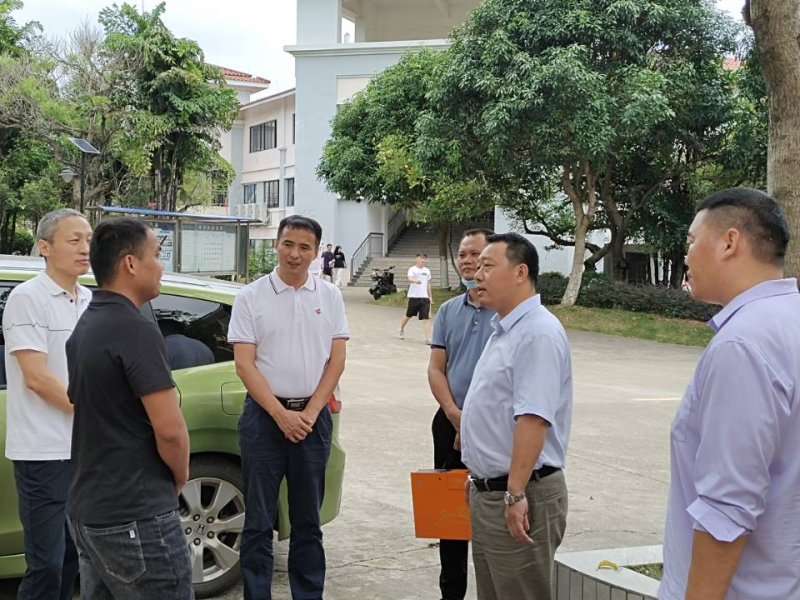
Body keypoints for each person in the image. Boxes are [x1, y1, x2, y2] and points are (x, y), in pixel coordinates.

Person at [659, 188, 800, 600]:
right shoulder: (788, 322)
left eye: (691, 241)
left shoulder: (743, 344)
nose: (686, 256)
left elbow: (726, 509)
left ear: (729, 242)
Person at [65, 218, 193, 599]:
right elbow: (170, 430)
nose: (161, 266)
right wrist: (179, 476)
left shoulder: (85, 325)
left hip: (89, 510)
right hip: (135, 514)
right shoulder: (135, 330)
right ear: (131, 264)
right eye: (157, 255)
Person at [229, 215, 349, 600]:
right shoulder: (251, 297)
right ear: (276, 245)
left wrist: (310, 414)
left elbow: (336, 361)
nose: (295, 253)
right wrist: (280, 415)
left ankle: (308, 593)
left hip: (313, 421)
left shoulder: (329, 296)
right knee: (258, 521)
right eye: (288, 244)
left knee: (308, 521)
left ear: (316, 251)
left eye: (304, 247)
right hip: (264, 420)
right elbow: (245, 364)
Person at [461, 233, 571, 600]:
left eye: (488, 266)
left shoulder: (538, 333)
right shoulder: (505, 329)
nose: (477, 274)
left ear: (521, 272)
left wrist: (514, 493)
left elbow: (533, 419)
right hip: (492, 493)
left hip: (523, 494)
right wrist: (478, 475)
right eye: (477, 267)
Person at [3, 208, 91, 600]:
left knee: (74, 558)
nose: (85, 248)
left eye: (88, 240)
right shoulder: (27, 298)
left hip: (85, 449)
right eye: (74, 240)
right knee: (46, 564)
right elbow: (36, 377)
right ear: (44, 247)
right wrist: (93, 413)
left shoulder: (90, 299)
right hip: (42, 452)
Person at [428, 229, 495, 600]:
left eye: (476, 255)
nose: (468, 262)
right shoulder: (449, 310)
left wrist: (472, 422)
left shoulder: (506, 311)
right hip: (449, 422)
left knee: (491, 511)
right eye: (463, 255)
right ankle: (451, 592)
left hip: (494, 429)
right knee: (450, 516)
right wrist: (454, 414)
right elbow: (436, 369)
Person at [399, 253, 433, 344]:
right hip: (414, 296)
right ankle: (401, 328)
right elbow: (409, 278)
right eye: (421, 258)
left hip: (424, 297)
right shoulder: (412, 269)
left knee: (427, 317)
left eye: (424, 258)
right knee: (408, 315)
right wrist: (415, 281)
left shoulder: (427, 271)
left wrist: (430, 297)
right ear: (417, 259)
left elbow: (428, 284)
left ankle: (428, 338)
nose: (422, 260)